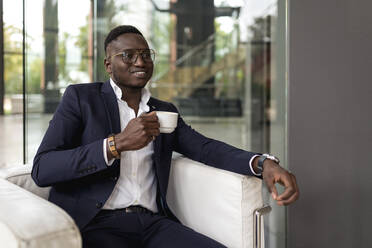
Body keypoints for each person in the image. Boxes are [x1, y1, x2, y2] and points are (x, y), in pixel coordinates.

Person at [32, 25, 299, 248]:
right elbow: (43, 168)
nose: (140, 61)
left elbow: (205, 148)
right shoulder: (81, 99)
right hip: (95, 224)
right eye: (128, 55)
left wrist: (263, 163)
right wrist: (116, 144)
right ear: (108, 65)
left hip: (153, 224)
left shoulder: (164, 111)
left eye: (146, 54)